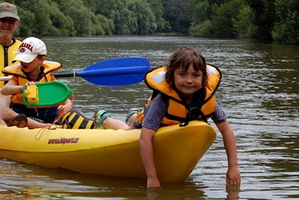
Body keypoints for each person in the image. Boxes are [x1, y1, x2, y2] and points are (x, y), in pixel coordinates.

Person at [95, 47, 241, 188]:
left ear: (203, 79)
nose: (189, 80)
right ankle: (106, 119)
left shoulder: (207, 99)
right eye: (183, 74)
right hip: (149, 122)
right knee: (129, 129)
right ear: (171, 77)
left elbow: (227, 131)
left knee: (138, 119)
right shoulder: (161, 102)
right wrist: (152, 177)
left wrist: (233, 167)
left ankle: (134, 114)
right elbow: (145, 139)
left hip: (165, 121)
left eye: (195, 75)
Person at [0, 37, 73, 128]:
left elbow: (59, 93)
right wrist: (22, 88)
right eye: (21, 59)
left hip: (47, 112)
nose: (23, 63)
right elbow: (4, 90)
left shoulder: (48, 76)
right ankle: (40, 125)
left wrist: (68, 104)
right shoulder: (18, 76)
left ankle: (53, 124)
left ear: (41, 60)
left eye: (27, 60)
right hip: (24, 112)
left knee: (69, 112)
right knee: (5, 113)